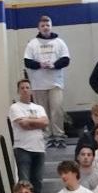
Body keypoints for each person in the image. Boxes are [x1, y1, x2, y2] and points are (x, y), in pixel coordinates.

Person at [23, 14, 71, 143]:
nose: (45, 28)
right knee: (42, 112)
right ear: (38, 28)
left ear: (51, 26)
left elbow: (66, 60)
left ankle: (59, 135)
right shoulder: (33, 44)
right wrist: (40, 65)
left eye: (47, 25)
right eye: (43, 26)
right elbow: (27, 62)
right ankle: (46, 135)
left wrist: (54, 65)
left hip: (55, 83)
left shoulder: (59, 42)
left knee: (57, 110)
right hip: (38, 84)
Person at [7, 79, 48, 193]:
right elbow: (23, 125)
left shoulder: (39, 108)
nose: (25, 90)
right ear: (18, 91)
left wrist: (29, 121)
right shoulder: (15, 107)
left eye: (27, 87)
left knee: (38, 181)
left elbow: (45, 122)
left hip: (39, 148)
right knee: (24, 182)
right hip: (23, 148)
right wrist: (37, 123)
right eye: (22, 88)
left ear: (31, 90)